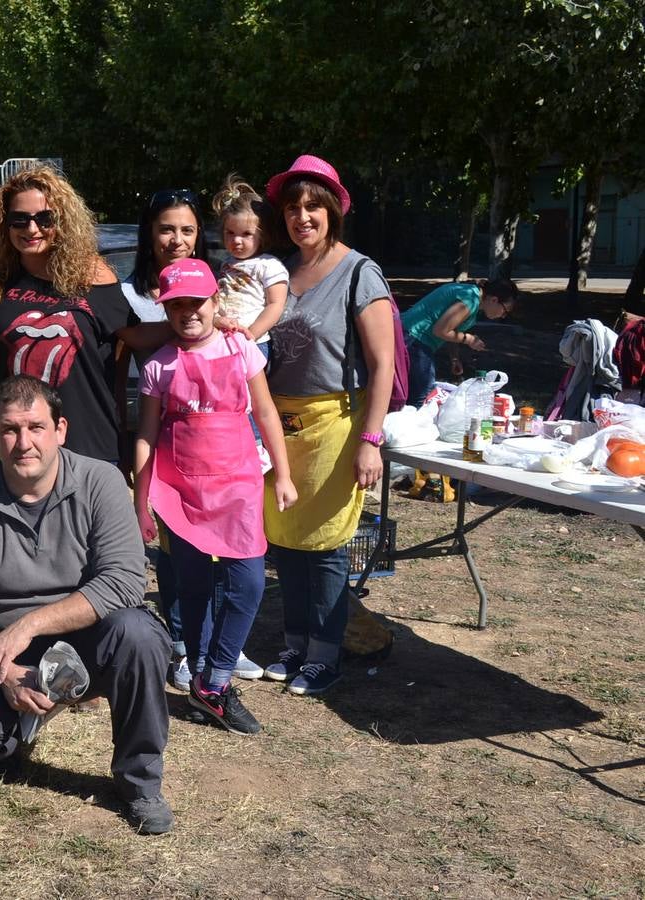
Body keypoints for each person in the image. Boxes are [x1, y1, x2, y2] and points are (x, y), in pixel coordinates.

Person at [0, 376, 173, 835]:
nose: (24, 443)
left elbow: (123, 583)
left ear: (60, 429)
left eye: (35, 427)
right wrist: (9, 675)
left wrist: (31, 626)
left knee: (139, 635)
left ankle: (139, 783)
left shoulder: (101, 482)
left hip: (87, 637)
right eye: (10, 430)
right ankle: (9, 741)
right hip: (0, 648)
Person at [133, 259, 297, 735]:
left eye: (197, 302)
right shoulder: (160, 365)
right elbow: (146, 433)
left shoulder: (242, 349)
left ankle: (217, 674)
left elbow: (266, 414)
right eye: (177, 305)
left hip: (239, 484)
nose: (188, 313)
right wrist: (141, 498)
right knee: (192, 585)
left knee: (248, 582)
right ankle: (206, 675)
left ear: (215, 302)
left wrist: (282, 474)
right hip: (180, 489)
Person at [261, 154, 395, 696]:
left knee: (327, 545)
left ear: (333, 211)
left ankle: (325, 654)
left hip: (335, 427)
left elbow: (382, 362)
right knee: (287, 539)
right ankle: (295, 644)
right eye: (293, 207)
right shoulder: (280, 271)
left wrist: (371, 440)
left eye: (313, 205)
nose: (302, 216)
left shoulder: (359, 272)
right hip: (279, 425)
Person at [118, 188, 263, 690]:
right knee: (180, 552)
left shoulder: (210, 283)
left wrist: (215, 321)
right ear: (149, 233)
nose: (177, 239)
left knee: (230, 549)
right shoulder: (134, 290)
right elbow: (129, 338)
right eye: (166, 229)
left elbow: (231, 326)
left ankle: (215, 648)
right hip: (164, 424)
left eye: (187, 229)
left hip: (219, 437)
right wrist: (181, 325)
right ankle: (184, 643)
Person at [0, 165, 169, 466]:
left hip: (89, 446)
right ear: (6, 224)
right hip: (21, 447)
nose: (32, 229)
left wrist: (203, 328)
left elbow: (136, 335)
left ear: (63, 221)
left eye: (45, 218)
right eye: (20, 219)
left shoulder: (90, 274)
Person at [210, 175, 289, 363]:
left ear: (263, 236)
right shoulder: (225, 264)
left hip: (254, 343)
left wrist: (251, 335)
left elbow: (275, 305)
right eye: (230, 233)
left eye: (246, 234)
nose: (236, 240)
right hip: (222, 340)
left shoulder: (269, 265)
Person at [401, 279, 518, 406]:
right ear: (494, 300)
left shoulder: (472, 297)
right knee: (420, 394)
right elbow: (441, 330)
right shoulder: (469, 300)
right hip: (413, 338)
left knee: (416, 391)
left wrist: (454, 358)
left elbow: (453, 330)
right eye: (505, 311)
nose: (503, 316)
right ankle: (403, 422)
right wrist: (469, 339)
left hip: (415, 339)